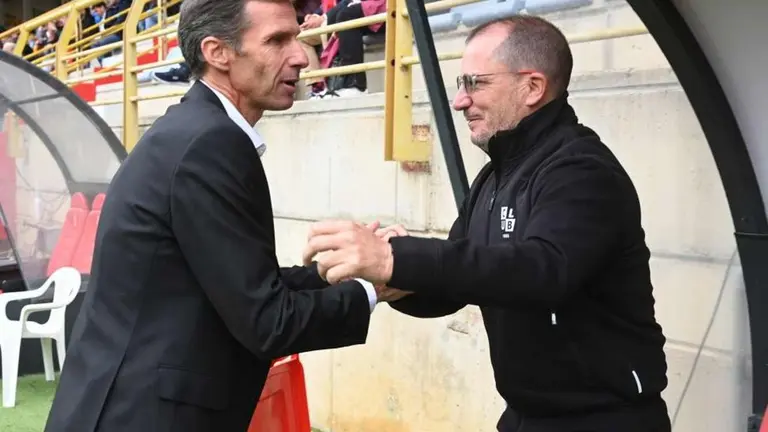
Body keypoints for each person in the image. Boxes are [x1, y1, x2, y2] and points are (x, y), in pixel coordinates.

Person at [302, 15, 671, 432]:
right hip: (524, 416)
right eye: (461, 84)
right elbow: (457, 283)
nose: (460, 101)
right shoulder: (496, 175)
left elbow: (543, 271)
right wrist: (393, 280)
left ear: (532, 87)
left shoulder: (581, 169)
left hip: (604, 421)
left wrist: (396, 258)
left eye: (475, 83)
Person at [44, 0, 385, 431]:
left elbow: (232, 284)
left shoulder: (193, 130)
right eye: (277, 40)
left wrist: (333, 272)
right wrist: (373, 287)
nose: (300, 56)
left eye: (297, 37)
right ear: (217, 52)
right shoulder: (210, 142)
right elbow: (268, 322)